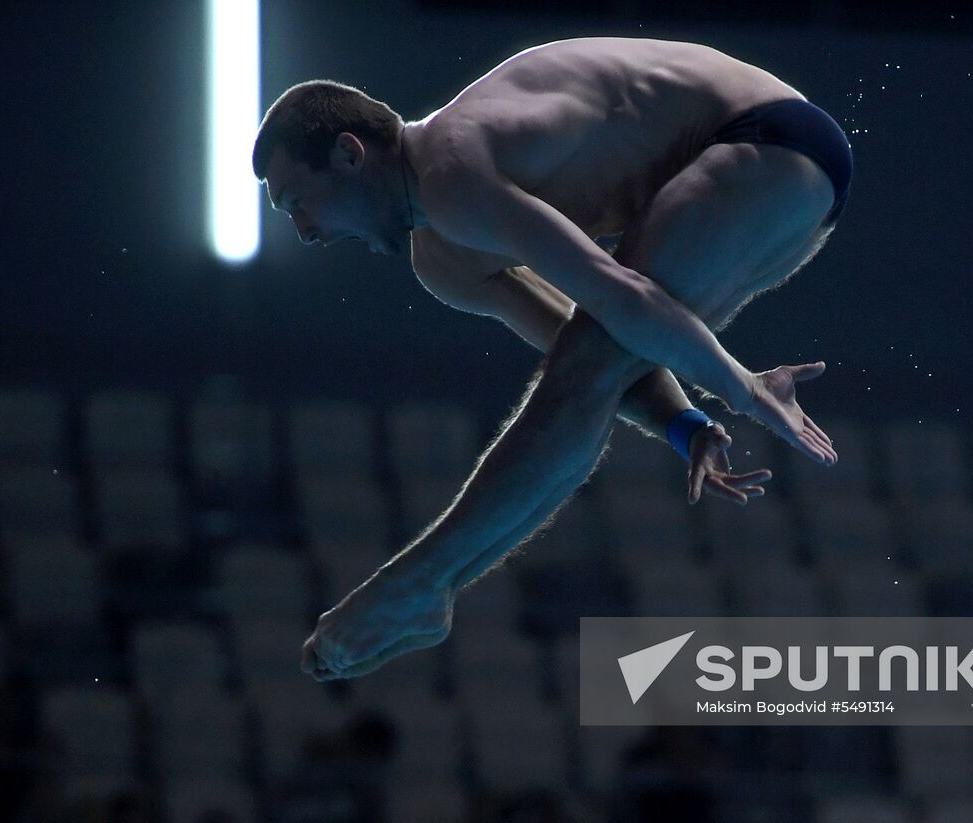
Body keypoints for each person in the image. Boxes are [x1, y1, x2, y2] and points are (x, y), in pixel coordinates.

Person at [250, 37, 852, 679]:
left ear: (349, 154)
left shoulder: (451, 166)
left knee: (583, 371)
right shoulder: (443, 258)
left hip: (769, 139)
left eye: (297, 204)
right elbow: (590, 352)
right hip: (789, 175)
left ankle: (415, 586)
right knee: (585, 371)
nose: (305, 232)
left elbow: (622, 298)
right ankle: (431, 588)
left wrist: (743, 389)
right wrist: (684, 425)